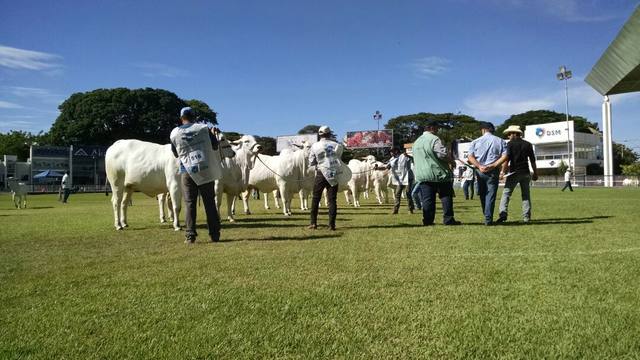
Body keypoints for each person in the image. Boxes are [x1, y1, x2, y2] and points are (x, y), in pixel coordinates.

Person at [170, 107, 222, 244]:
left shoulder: (175, 133)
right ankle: (214, 234)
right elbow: (215, 146)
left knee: (189, 203)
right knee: (209, 202)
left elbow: (176, 154)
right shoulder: (203, 128)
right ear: (194, 117)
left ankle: (190, 235)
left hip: (187, 171)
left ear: (182, 118)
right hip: (205, 169)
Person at [413, 119, 461, 226]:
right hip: (438, 173)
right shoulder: (434, 139)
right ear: (431, 128)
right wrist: (452, 161)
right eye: (437, 128)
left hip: (422, 175)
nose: (438, 130)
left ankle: (428, 221)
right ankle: (448, 219)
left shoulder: (417, 142)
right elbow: (441, 154)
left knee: (427, 200)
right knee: (446, 196)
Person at [467, 121, 508, 226]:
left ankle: (486, 215)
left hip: (480, 170)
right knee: (490, 195)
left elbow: (470, 157)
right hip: (493, 171)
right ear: (491, 130)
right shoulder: (501, 141)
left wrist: (479, 165)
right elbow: (505, 156)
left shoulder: (475, 141)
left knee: (482, 194)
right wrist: (494, 165)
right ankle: (488, 218)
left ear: (483, 129)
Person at [496, 125, 538, 223]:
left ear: (513, 134)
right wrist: (536, 173)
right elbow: (532, 160)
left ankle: (503, 214)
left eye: (509, 134)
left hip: (514, 172)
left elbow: (506, 160)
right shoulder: (528, 144)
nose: (508, 136)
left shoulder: (510, 144)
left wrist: (502, 172)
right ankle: (526, 217)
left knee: (506, 194)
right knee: (526, 195)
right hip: (525, 172)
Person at [308, 125, 343, 230]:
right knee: (332, 200)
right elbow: (339, 160)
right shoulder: (337, 145)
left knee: (316, 198)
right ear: (329, 134)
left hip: (320, 173)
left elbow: (311, 161)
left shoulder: (315, 146)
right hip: (333, 173)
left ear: (320, 135)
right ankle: (331, 225)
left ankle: (313, 223)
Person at [388, 147, 415, 214]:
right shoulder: (392, 159)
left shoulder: (404, 156)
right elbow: (387, 167)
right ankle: (395, 210)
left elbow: (414, 159)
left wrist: (408, 156)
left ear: (396, 151)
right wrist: (377, 168)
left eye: (392, 151)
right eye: (390, 151)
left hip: (408, 178)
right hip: (400, 179)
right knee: (397, 194)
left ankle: (410, 209)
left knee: (408, 193)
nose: (391, 153)